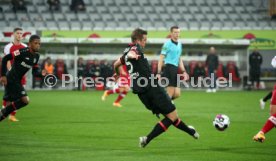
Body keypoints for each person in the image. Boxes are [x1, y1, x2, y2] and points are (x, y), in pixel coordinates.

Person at [113, 28, 199, 148]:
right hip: (153, 88)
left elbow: (115, 64)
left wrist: (118, 73)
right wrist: (132, 55)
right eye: (144, 40)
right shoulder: (134, 50)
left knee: (170, 117)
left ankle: (192, 132)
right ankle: (147, 139)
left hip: (141, 94)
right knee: (173, 116)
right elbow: (133, 54)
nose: (145, 42)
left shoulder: (126, 50)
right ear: (137, 40)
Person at [0, 35, 46, 122]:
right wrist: (3, 75)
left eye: (39, 44)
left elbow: (34, 72)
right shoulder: (22, 51)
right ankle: (3, 111)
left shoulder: (36, 56)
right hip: (11, 79)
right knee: (25, 100)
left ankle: (3, 112)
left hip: (17, 80)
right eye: (36, 43)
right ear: (30, 44)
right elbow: (5, 58)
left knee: (8, 106)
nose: (38, 45)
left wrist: (41, 74)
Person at [2, 27, 27, 122]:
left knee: (20, 97)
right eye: (17, 33)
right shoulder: (8, 47)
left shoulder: (25, 47)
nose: (19, 35)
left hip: (21, 76)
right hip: (11, 75)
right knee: (8, 96)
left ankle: (12, 115)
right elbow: (7, 61)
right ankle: (3, 112)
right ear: (13, 34)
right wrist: (10, 73)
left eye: (21, 33)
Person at [157, 26, 188, 100]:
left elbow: (179, 59)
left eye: (178, 32)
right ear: (171, 33)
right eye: (175, 32)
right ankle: (167, 108)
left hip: (176, 69)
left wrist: (184, 71)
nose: (177, 34)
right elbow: (161, 58)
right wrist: (158, 72)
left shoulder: (180, 44)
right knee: (170, 93)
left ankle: (163, 102)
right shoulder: (167, 44)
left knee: (177, 94)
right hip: (169, 68)